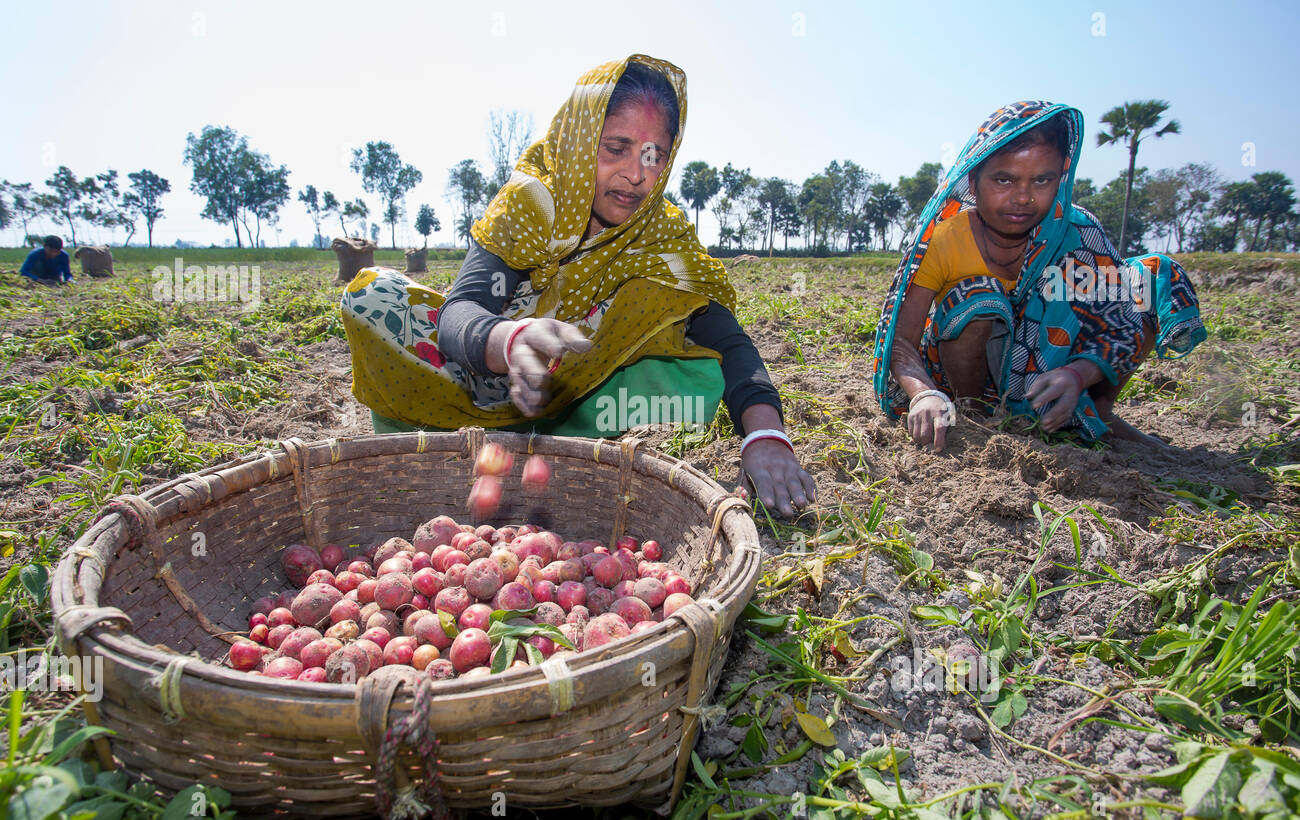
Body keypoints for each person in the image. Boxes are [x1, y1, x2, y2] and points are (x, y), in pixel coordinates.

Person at [342, 54, 815, 517]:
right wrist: (512, 340)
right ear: (581, 140)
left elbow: (728, 339)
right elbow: (462, 309)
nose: (636, 174)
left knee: (704, 362)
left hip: (580, 384)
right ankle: (495, 427)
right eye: (616, 149)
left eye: (655, 157)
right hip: (479, 371)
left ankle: (570, 426)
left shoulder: (662, 236)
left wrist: (766, 437)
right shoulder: (533, 203)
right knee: (373, 299)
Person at [872, 101, 1205, 451]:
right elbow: (901, 339)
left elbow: (1118, 323)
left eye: (1042, 180)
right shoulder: (943, 240)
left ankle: (1099, 412)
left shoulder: (1078, 232)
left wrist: (1078, 374)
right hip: (969, 380)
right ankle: (976, 417)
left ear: (1060, 176)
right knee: (979, 295)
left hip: (1053, 378)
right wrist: (924, 394)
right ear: (974, 181)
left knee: (1152, 278)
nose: (1023, 198)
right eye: (1004, 179)